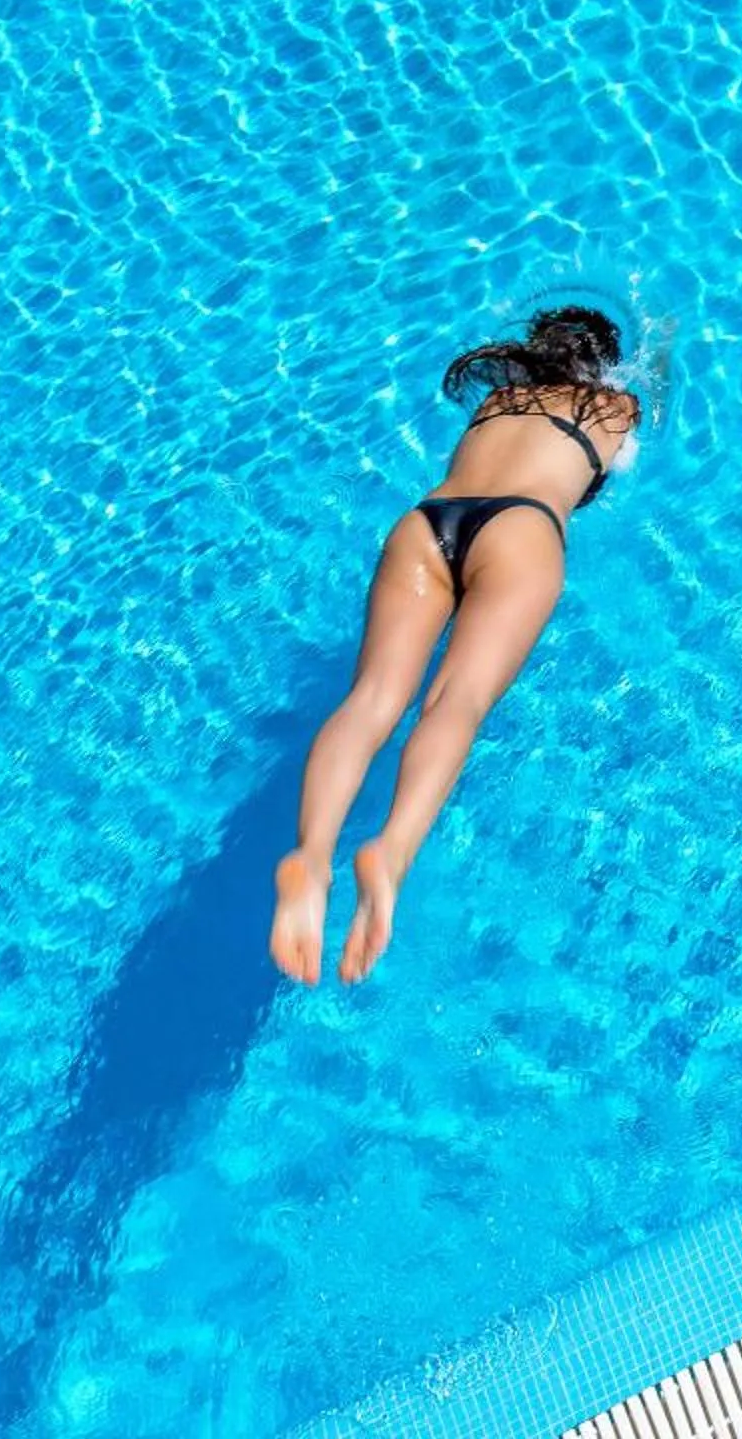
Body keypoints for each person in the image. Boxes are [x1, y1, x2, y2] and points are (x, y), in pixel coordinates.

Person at [269, 306, 643, 984]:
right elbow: (622, 465)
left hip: (426, 522)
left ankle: (311, 854)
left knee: (372, 697)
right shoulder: (616, 405)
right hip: (521, 530)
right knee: (456, 702)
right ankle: (390, 855)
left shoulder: (500, 399)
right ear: (599, 364)